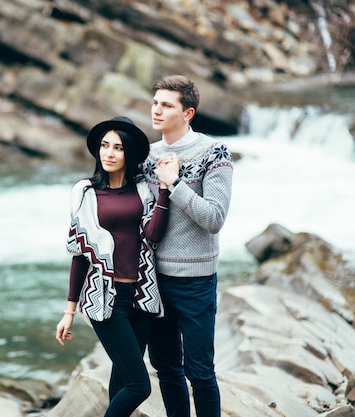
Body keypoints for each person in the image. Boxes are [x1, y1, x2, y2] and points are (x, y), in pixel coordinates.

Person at [55, 116, 179, 417]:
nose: (108, 153)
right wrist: (69, 311)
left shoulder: (143, 190)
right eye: (104, 146)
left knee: (121, 384)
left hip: (140, 299)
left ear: (130, 153)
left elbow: (153, 235)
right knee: (140, 386)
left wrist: (164, 189)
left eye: (118, 148)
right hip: (104, 302)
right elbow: (80, 254)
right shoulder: (85, 192)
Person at [141, 75, 234, 417]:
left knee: (200, 371)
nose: (157, 110)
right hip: (154, 278)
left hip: (195, 279)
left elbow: (214, 218)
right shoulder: (146, 156)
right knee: (165, 366)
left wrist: (175, 184)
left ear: (188, 113)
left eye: (166, 105)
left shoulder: (214, 152)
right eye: (155, 103)